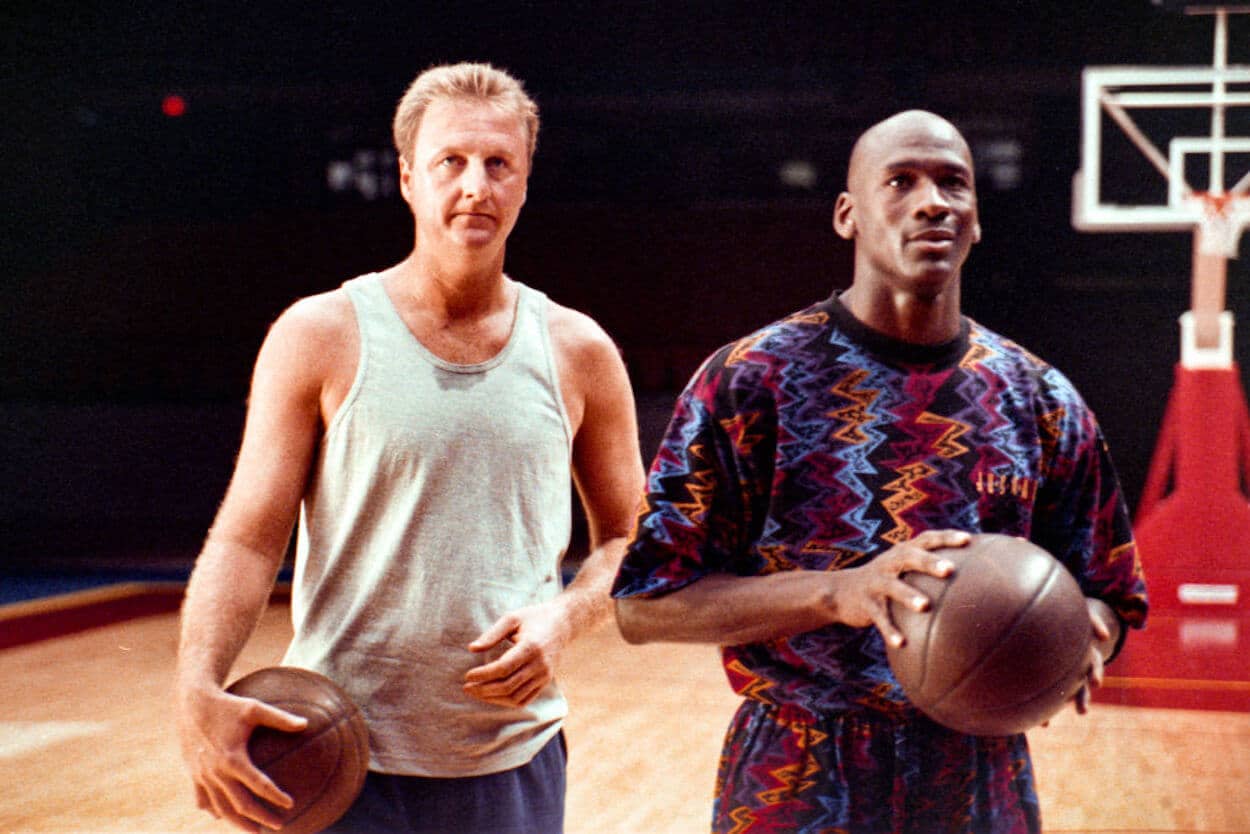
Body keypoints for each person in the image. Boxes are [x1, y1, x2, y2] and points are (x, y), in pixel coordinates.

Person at [611, 110, 1148, 834]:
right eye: (901, 181)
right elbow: (643, 606)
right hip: (795, 773)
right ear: (847, 215)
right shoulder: (750, 383)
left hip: (978, 776)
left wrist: (1078, 633)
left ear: (977, 221)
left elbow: (1110, 593)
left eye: (953, 184)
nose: (933, 201)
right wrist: (839, 591)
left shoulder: (1041, 399)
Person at [174, 62, 644, 834]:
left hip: (509, 753)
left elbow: (629, 536)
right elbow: (249, 537)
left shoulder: (578, 349)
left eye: (499, 165)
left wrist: (565, 618)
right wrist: (195, 688)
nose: (475, 185)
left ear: (525, 183)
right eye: (450, 162)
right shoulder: (319, 333)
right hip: (333, 757)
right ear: (406, 178)